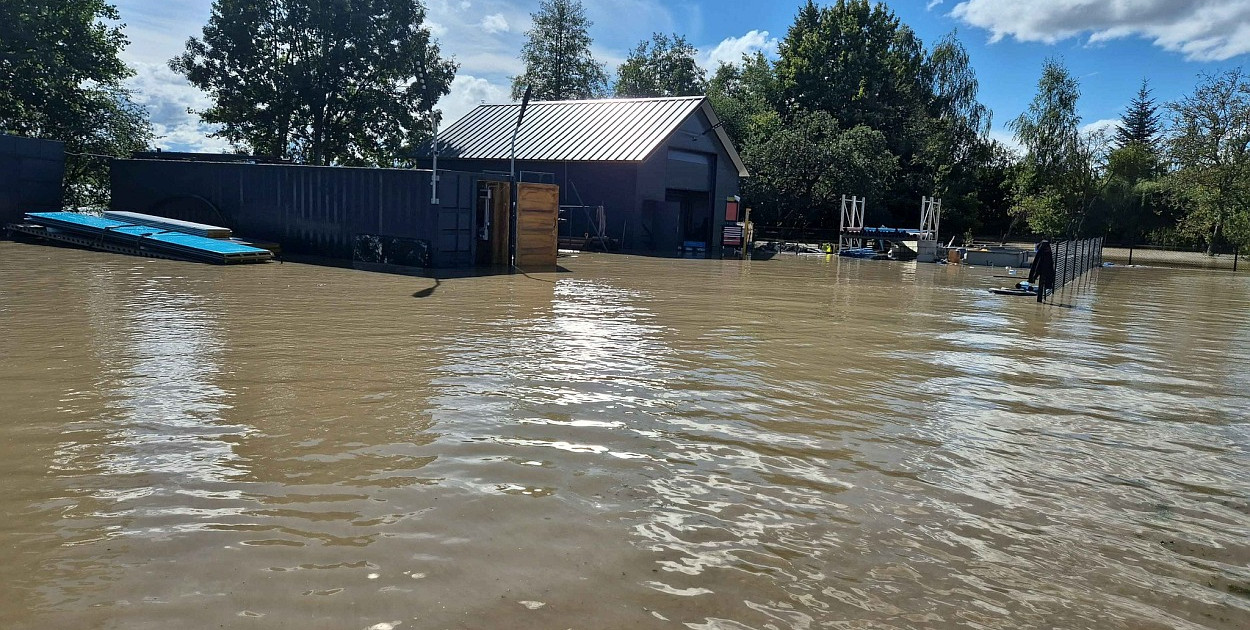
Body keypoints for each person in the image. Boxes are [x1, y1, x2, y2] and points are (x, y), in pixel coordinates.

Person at [1028, 239, 1055, 303]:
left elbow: (1037, 265)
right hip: (1043, 272)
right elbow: (1037, 265)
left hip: (1044, 273)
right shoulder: (1044, 253)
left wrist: (1034, 276)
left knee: (1042, 287)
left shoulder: (1046, 253)